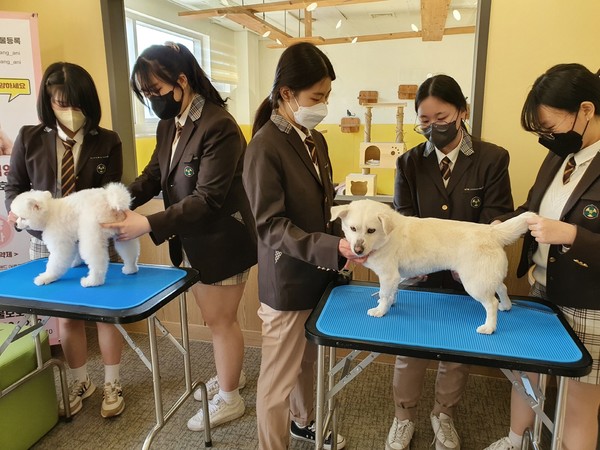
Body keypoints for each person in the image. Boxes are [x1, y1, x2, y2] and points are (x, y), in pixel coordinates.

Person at [102, 42, 256, 431]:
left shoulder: (219, 125)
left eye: (155, 91)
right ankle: (229, 380)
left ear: (181, 81)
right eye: (146, 95)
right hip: (191, 240)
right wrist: (118, 201)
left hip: (222, 241)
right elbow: (153, 175)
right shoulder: (170, 123)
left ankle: (230, 398)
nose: (152, 100)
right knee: (212, 317)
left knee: (221, 322)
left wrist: (148, 223)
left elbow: (208, 198)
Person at [243, 42, 365, 450]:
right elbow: (270, 226)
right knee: (277, 380)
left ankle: (304, 421)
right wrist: (334, 248)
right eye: (316, 97)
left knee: (305, 363)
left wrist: (349, 221)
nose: (324, 105)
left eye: (327, 97)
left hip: (317, 275)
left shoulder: (314, 139)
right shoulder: (264, 146)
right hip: (288, 281)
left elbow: (319, 203)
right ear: (286, 94)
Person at [389, 74, 514, 450]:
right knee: (409, 349)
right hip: (419, 272)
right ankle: (403, 417)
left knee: (458, 350)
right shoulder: (409, 163)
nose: (432, 128)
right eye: (424, 121)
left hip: (468, 271)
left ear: (463, 112)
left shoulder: (492, 158)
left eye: (441, 118)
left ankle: (444, 415)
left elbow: (497, 217)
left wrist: (469, 259)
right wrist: (416, 260)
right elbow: (401, 218)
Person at [485, 63, 600, 450]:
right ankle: (517, 440)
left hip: (589, 304)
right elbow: (535, 207)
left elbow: (563, 225)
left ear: (586, 110)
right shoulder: (560, 157)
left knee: (578, 405)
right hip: (541, 291)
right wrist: (504, 223)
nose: (547, 140)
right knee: (526, 376)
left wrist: (572, 235)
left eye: (550, 129)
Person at [5, 62, 126, 418]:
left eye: (78, 105)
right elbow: (14, 190)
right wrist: (36, 225)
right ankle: (79, 380)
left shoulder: (107, 139)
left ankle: (112, 382)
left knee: (106, 314)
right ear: (48, 102)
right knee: (68, 317)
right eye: (61, 103)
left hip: (94, 239)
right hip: (47, 240)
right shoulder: (29, 137)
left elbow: (111, 192)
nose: (71, 112)